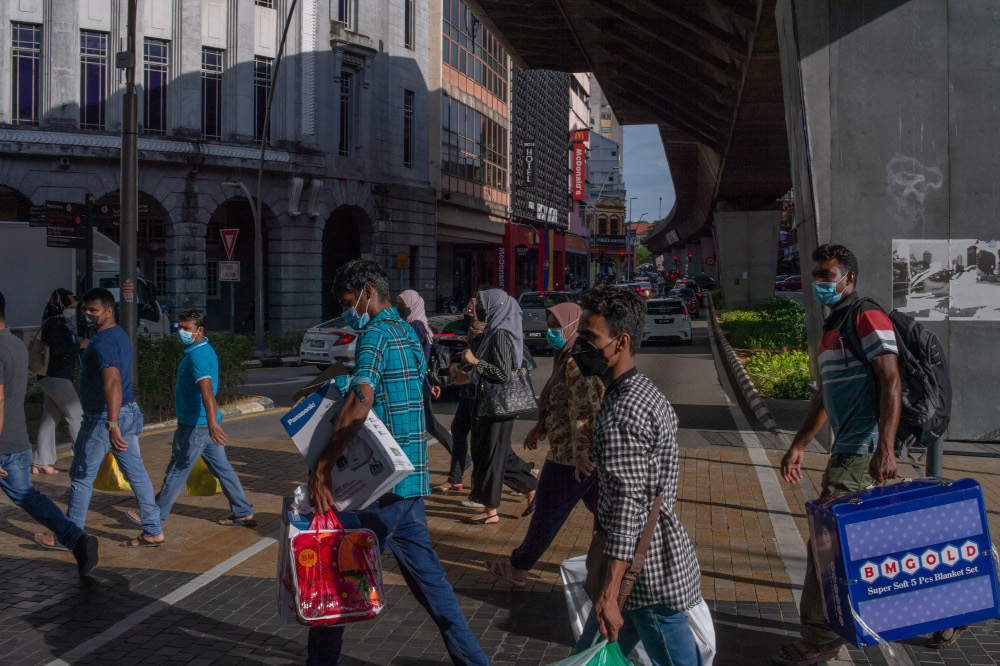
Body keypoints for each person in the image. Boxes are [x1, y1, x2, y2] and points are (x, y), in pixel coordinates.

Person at [306, 259, 489, 666]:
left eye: (349, 300)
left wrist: (322, 467)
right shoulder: (408, 332)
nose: (348, 309)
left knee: (337, 586)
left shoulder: (373, 335)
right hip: (408, 485)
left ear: (368, 292)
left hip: (376, 491)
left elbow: (362, 399)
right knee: (435, 590)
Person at [775, 244, 901, 665]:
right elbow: (824, 395)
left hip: (859, 451)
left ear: (849, 277)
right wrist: (799, 444)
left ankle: (820, 641)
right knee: (870, 545)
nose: (819, 283)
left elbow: (891, 381)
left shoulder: (867, 316)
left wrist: (883, 448)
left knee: (827, 547)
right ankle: (940, 618)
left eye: (827, 275)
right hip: (848, 448)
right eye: (816, 275)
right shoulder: (836, 324)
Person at [571, 286, 702, 665]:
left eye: (590, 337)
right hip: (641, 567)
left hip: (643, 582)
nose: (580, 346)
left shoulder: (623, 411)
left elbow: (629, 507)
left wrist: (611, 593)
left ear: (621, 341)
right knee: (590, 656)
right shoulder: (642, 392)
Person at [483, 302, 604, 585]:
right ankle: (638, 552)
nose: (551, 331)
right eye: (549, 325)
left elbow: (586, 410)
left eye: (555, 326)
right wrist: (541, 427)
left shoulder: (577, 359)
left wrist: (582, 453)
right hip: (577, 451)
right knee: (607, 510)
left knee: (547, 512)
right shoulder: (569, 354)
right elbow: (563, 402)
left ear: (573, 324)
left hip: (571, 457)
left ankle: (519, 566)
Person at [35, 288, 163, 550]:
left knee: (81, 477)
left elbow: (113, 382)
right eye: (85, 310)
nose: (88, 315)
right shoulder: (118, 335)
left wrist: (112, 424)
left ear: (108, 311)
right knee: (136, 475)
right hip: (126, 411)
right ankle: (153, 530)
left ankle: (68, 536)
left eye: (93, 311)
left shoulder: (104, 342)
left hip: (104, 419)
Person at [125, 308, 255, 529]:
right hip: (202, 424)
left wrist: (212, 424)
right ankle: (243, 511)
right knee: (222, 469)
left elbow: (207, 391)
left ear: (200, 330)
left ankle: (153, 516)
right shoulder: (199, 349)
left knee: (177, 470)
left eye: (187, 328)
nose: (181, 331)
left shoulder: (198, 356)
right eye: (180, 327)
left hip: (197, 426)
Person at [0, 291, 99, 576]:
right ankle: (76, 539)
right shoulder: (16, 345)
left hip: (3, 446)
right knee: (28, 496)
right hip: (18, 442)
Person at [453, 288, 537, 525]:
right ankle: (531, 488)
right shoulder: (494, 330)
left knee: (491, 456)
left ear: (496, 307)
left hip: (497, 406)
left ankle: (491, 510)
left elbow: (501, 373)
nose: (479, 307)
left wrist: (475, 362)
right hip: (488, 404)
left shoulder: (501, 334)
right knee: (494, 454)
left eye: (483, 303)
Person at [434, 296, 483, 495]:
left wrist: (468, 373)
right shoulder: (469, 328)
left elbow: (484, 363)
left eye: (472, 308)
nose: (468, 311)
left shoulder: (486, 330)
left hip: (482, 393)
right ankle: (455, 479)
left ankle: (526, 481)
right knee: (459, 430)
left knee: (492, 446)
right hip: (468, 391)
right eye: (466, 307)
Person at [33, 288, 85, 475]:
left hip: (53, 377)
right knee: (77, 415)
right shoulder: (54, 323)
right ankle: (82, 459)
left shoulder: (58, 321)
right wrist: (79, 345)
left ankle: (41, 461)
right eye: (70, 305)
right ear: (61, 303)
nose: (72, 309)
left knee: (49, 418)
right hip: (56, 375)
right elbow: (57, 351)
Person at [397, 289, 454, 453]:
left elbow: (417, 361)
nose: (400, 308)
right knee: (425, 426)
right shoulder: (416, 324)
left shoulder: (416, 326)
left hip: (418, 386)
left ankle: (462, 458)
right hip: (421, 384)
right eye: (399, 304)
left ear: (413, 306)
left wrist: (427, 385)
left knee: (431, 425)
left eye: (403, 304)